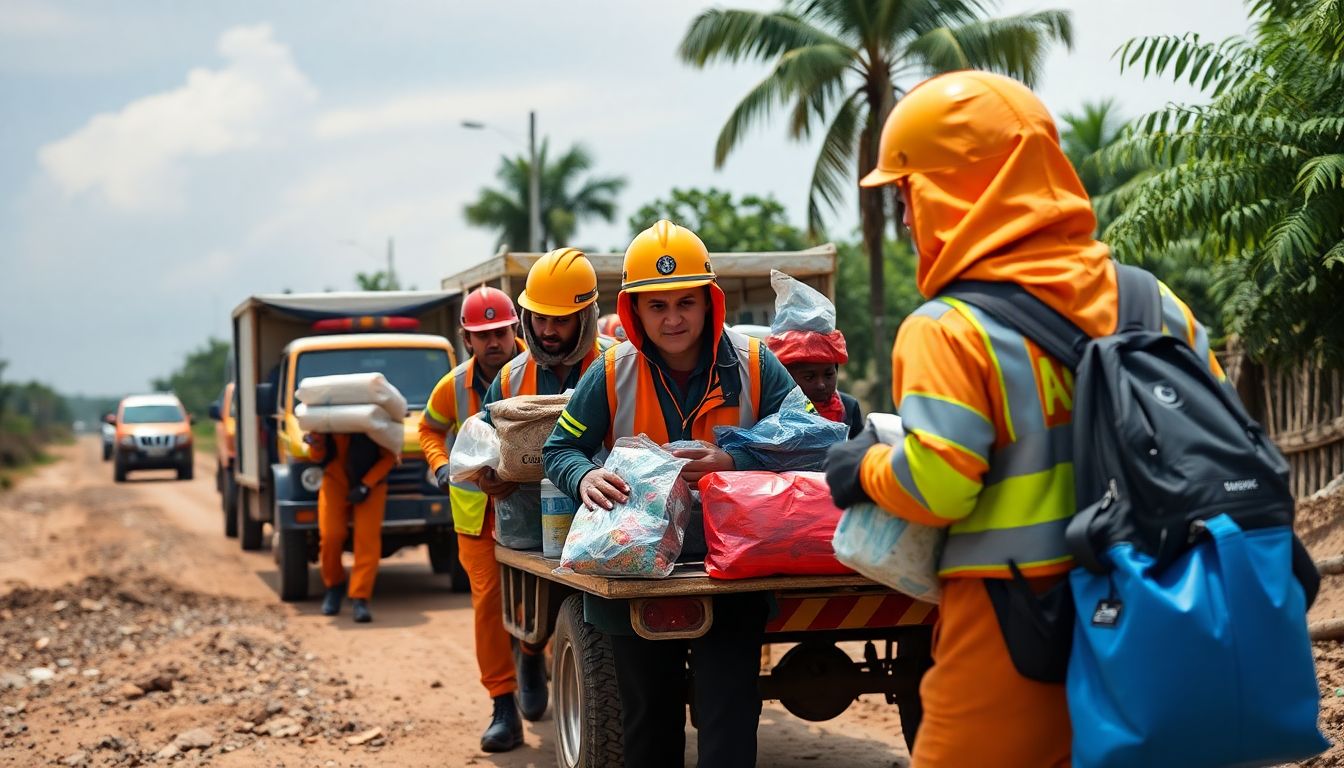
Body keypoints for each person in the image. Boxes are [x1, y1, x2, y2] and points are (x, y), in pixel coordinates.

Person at [824, 70, 1230, 768]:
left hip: (1014, 626)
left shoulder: (948, 328)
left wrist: (858, 468)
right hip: (1161, 607)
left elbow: (939, 486)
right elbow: (1222, 445)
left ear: (949, 195)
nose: (904, 217)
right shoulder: (1156, 303)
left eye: (906, 194)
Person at [543, 220, 797, 768]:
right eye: (656, 306)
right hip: (635, 569)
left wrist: (735, 458)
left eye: (686, 302)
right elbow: (559, 449)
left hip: (733, 566)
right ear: (634, 311)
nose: (673, 318)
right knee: (647, 717)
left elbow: (812, 439)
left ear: (711, 303)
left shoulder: (756, 363)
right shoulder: (610, 372)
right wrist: (583, 476)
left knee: (730, 712)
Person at [474, 246, 614, 722]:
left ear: (587, 315)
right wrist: (486, 475)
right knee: (530, 609)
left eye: (563, 320)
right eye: (539, 320)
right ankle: (531, 654)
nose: (549, 331)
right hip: (526, 517)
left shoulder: (617, 365)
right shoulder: (511, 378)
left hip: (602, 511)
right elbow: (479, 438)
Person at [417, 285, 527, 753]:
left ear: (514, 330)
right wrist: (440, 465)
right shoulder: (453, 386)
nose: (493, 342)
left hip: (532, 509)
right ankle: (503, 702)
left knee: (538, 601)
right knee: (488, 604)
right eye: (482, 335)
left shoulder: (536, 371)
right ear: (466, 338)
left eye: (499, 331)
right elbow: (428, 428)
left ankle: (535, 659)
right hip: (476, 516)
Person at [303, 430, 395, 623]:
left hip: (372, 483)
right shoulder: (327, 416)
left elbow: (390, 457)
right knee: (330, 535)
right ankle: (334, 587)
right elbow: (316, 457)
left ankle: (360, 598)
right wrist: (316, 443)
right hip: (335, 478)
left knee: (367, 540)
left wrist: (366, 484)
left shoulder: (376, 418)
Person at [766, 330, 863, 438]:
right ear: (788, 377)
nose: (821, 385)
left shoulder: (848, 407)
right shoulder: (773, 409)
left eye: (828, 375)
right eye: (809, 377)